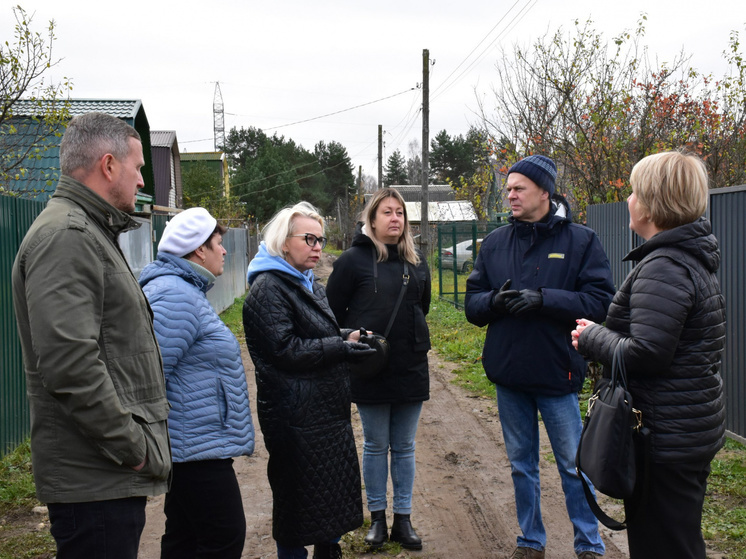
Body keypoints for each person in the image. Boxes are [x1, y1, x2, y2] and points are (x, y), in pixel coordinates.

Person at [11, 112, 171, 559]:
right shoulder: (68, 235)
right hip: (95, 477)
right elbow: (69, 365)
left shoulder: (87, 230)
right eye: (138, 168)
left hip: (101, 475)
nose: (141, 181)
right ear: (107, 165)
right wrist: (132, 447)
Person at [571, 150, 726, 559]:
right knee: (676, 539)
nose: (628, 199)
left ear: (654, 203)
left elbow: (649, 353)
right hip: (682, 429)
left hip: (664, 437)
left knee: (665, 546)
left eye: (635, 191)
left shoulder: (665, 265)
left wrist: (592, 338)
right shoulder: (688, 258)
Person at [464, 154, 615, 559]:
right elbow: (472, 306)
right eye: (508, 188)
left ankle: (589, 544)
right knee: (521, 465)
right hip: (509, 374)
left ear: (544, 193)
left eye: (518, 188)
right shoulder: (495, 243)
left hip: (557, 373)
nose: (510, 195)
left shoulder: (581, 241)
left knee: (573, 465)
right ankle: (531, 540)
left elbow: (601, 303)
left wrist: (545, 299)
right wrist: (495, 301)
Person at [242, 201, 372, 559]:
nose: (318, 247)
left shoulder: (305, 282)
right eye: (309, 239)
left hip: (322, 415)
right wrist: (340, 347)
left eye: (321, 239)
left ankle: (329, 552)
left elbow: (317, 331)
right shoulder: (268, 287)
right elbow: (285, 350)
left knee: (325, 499)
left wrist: (348, 335)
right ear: (284, 242)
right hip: (296, 419)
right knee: (298, 508)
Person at [139, 207, 255, 558]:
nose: (224, 250)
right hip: (194, 449)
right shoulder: (176, 296)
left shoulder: (183, 290)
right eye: (218, 243)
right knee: (224, 536)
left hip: (195, 445)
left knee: (185, 539)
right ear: (198, 250)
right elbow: (148, 377)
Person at [326, 188, 431, 551]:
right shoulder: (351, 262)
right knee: (374, 445)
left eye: (400, 213)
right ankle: (377, 521)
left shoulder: (417, 263)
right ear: (371, 220)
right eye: (387, 212)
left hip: (411, 366)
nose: (395, 219)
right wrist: (352, 340)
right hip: (369, 368)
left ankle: (403, 520)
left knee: (403, 446)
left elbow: (424, 307)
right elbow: (330, 316)